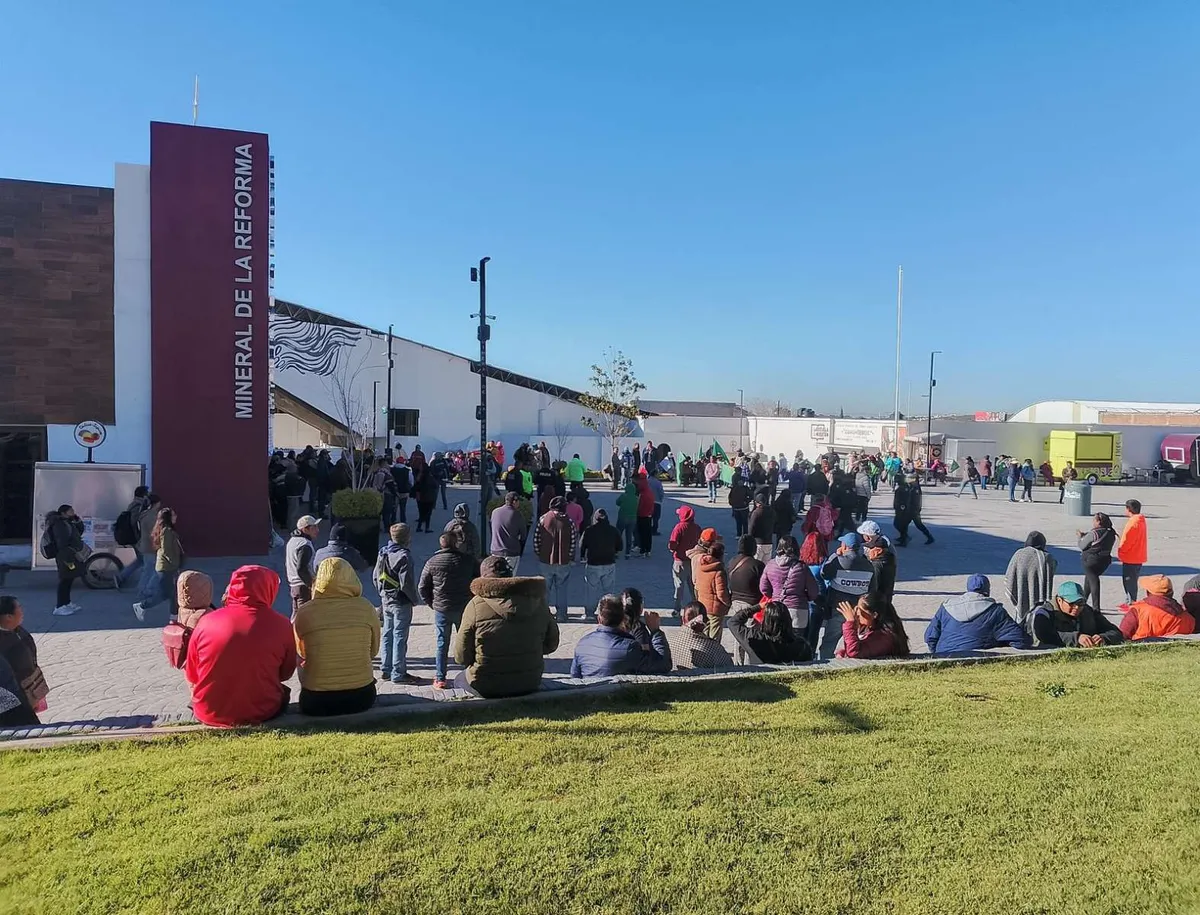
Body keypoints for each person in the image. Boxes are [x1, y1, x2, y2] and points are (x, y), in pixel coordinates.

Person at [184, 565, 297, 727]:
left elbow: (193, 675)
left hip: (209, 711)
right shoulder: (282, 624)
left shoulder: (206, 621)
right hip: (262, 710)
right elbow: (285, 674)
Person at [454, 555, 560, 697]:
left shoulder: (475, 605)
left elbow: (461, 656)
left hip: (486, 683)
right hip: (530, 681)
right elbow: (551, 644)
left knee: (459, 679)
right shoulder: (538, 602)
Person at [293, 558, 380, 716]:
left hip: (315, 701)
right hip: (362, 697)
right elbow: (373, 652)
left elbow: (302, 653)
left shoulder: (305, 612)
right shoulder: (366, 608)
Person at [418, 532, 481, 688]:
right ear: (456, 543)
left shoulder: (432, 561)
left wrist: (431, 603)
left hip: (442, 608)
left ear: (441, 544)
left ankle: (440, 678)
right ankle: (470, 675)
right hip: (463, 607)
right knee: (468, 641)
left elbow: (422, 586)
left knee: (442, 643)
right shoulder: (467, 560)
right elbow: (479, 580)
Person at [924, 574, 1032, 656]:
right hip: (976, 658)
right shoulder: (995, 611)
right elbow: (1021, 640)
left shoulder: (946, 607)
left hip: (943, 655)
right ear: (987, 590)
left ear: (968, 588)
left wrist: (938, 654)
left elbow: (930, 637)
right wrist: (998, 644)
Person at [570, 594, 671, 678]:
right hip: (619, 698)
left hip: (588, 697)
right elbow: (664, 665)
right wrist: (655, 631)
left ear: (599, 619)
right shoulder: (630, 647)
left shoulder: (582, 644)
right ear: (623, 618)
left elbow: (574, 677)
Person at [814, 532, 877, 658]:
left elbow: (824, 573)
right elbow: (872, 588)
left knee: (829, 641)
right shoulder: (869, 566)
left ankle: (825, 665)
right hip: (859, 612)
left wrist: (835, 555)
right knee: (854, 641)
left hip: (839, 608)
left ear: (844, 546)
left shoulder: (838, 561)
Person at [374, 523, 422, 685]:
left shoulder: (383, 552)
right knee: (400, 636)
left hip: (385, 599)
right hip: (400, 601)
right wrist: (414, 599)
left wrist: (381, 592)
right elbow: (406, 583)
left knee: (387, 633)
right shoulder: (404, 557)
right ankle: (398, 672)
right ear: (407, 537)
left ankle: (385, 669)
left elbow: (375, 576)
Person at [1030, 581, 1124, 648]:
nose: (1077, 608)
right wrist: (1076, 638)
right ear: (1059, 600)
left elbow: (1117, 633)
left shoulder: (1088, 611)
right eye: (1071, 603)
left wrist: (1104, 638)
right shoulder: (1045, 613)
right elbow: (1044, 635)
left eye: (1080, 603)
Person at [759, 535, 820, 634]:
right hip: (797, 610)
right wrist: (804, 597)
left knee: (775, 641)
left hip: (776, 609)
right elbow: (813, 592)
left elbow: (763, 588)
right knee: (796, 642)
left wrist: (775, 595)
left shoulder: (770, 565)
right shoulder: (802, 567)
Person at [132, 507, 183, 623]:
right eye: (173, 515)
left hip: (168, 566)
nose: (176, 517)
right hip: (166, 567)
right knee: (166, 594)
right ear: (168, 518)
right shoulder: (166, 531)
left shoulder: (168, 530)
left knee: (172, 593)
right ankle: (142, 606)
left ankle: (173, 617)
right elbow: (166, 551)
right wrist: (176, 564)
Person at [0, 596, 46, 720]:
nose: (22, 610)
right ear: (8, 617)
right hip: (13, 701)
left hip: (28, 689)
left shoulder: (18, 630)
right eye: (19, 607)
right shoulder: (3, 642)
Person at [534, 496, 578, 621]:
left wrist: (539, 553)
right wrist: (570, 557)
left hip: (545, 560)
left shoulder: (543, 519)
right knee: (562, 588)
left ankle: (544, 613)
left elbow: (537, 539)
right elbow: (573, 542)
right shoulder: (569, 522)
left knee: (545, 589)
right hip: (563, 561)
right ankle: (562, 614)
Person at [727, 600, 812, 665]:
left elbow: (732, 622)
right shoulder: (802, 645)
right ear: (788, 619)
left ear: (766, 621)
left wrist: (757, 607)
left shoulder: (755, 638)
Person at [1003, 531, 1057, 630]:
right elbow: (1054, 566)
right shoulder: (1046, 557)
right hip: (1040, 598)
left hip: (1022, 595)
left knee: (1022, 613)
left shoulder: (1019, 554)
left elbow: (1009, 576)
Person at [834, 592, 911, 659]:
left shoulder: (884, 637)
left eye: (860, 611)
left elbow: (854, 652)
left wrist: (850, 623)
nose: (856, 614)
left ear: (874, 615)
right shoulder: (871, 627)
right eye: (856, 608)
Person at [1119, 575, 1196, 640]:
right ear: (1171, 593)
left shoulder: (1137, 611)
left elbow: (1122, 637)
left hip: (1143, 651)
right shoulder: (1186, 616)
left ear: (1148, 593)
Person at [726, 535, 766, 660]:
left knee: (738, 632)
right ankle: (751, 663)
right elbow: (764, 586)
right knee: (751, 635)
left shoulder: (732, 561)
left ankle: (738, 662)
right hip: (753, 604)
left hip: (735, 601)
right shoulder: (757, 565)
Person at [43, 504, 86, 616]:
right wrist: (69, 553)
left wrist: (77, 520)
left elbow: (79, 531)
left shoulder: (68, 522)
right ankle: (59, 606)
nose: (73, 512)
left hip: (69, 554)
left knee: (70, 577)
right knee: (65, 579)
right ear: (63, 513)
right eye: (70, 511)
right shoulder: (59, 524)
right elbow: (62, 541)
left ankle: (66, 602)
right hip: (65, 556)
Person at [580, 508, 621, 619]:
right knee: (608, 591)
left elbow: (582, 545)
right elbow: (620, 546)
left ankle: (589, 613)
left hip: (593, 563)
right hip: (609, 563)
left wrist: (582, 556)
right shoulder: (613, 530)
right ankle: (608, 613)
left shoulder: (589, 530)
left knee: (591, 590)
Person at [674, 601, 735, 670]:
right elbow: (730, 668)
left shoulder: (670, 641)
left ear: (682, 619)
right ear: (705, 621)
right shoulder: (713, 648)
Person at [1076, 512, 1116, 609]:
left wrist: (1080, 537)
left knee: (1093, 580)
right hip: (1105, 561)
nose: (1093, 522)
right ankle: (1084, 600)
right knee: (1089, 579)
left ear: (1098, 522)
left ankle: (1096, 607)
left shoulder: (1094, 533)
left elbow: (1082, 546)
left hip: (1091, 561)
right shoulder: (1111, 532)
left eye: (1094, 520)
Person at [693, 539, 732, 639]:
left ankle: (704, 653)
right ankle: (713, 654)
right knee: (714, 637)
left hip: (703, 605)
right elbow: (721, 593)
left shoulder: (700, 566)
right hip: (716, 609)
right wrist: (728, 603)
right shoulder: (718, 572)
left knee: (704, 633)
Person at [116, 485, 152, 588]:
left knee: (141, 560)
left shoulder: (136, 504)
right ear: (144, 495)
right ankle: (143, 585)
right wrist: (140, 537)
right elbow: (134, 522)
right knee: (146, 561)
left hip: (136, 538)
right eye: (147, 493)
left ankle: (121, 577)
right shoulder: (138, 505)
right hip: (137, 538)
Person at [668, 506, 702, 614]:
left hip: (680, 561)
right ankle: (697, 607)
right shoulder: (697, 527)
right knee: (694, 586)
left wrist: (672, 549)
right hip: (693, 561)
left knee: (679, 585)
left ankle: (677, 608)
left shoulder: (679, 527)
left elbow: (672, 544)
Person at [285, 515, 320, 615]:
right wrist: (311, 585)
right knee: (305, 618)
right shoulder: (304, 544)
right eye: (314, 527)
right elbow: (301, 568)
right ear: (305, 529)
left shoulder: (292, 541)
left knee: (296, 617)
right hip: (303, 587)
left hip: (294, 585)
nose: (317, 530)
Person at [1116, 499, 1147, 605]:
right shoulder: (1141, 520)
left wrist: (1121, 551)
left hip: (1131, 556)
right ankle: (1128, 601)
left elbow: (1127, 540)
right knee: (1131, 580)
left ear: (1128, 509)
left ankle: (1131, 602)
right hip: (1138, 555)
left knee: (1129, 581)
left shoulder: (1133, 522)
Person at [858, 520, 897, 603]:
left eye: (863, 535)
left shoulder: (879, 553)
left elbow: (875, 584)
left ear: (869, 537)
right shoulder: (883, 542)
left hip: (879, 594)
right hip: (886, 586)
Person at [489, 492, 528, 574]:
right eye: (518, 501)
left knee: (496, 577)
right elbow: (523, 535)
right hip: (511, 552)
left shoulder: (495, 512)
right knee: (509, 578)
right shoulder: (517, 515)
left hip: (495, 550)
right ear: (514, 501)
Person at [893, 475, 934, 547]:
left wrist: (906, 508)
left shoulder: (914, 488)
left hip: (912, 510)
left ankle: (905, 539)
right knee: (902, 524)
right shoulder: (911, 487)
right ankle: (904, 538)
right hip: (911, 510)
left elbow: (913, 500)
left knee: (913, 525)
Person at [615, 481, 639, 560]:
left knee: (618, 534)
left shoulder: (623, 496)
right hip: (632, 519)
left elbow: (617, 503)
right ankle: (627, 553)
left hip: (622, 517)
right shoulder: (636, 498)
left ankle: (616, 551)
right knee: (629, 535)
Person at [748, 493, 775, 562]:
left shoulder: (756, 513)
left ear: (756, 503)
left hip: (758, 542)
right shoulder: (771, 511)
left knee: (756, 563)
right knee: (766, 564)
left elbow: (751, 528)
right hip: (769, 542)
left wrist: (749, 540)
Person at [413, 465, 440, 533]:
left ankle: (419, 527)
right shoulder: (430, 478)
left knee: (421, 513)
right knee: (428, 514)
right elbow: (436, 485)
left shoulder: (419, 478)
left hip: (420, 498)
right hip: (429, 498)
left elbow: (415, 487)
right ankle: (427, 528)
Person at [728, 472, 752, 537]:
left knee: (743, 522)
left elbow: (751, 496)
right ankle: (741, 534)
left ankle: (744, 534)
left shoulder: (744, 488)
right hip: (739, 508)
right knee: (740, 522)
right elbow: (730, 497)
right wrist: (732, 503)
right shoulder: (735, 489)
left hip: (742, 507)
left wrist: (746, 501)